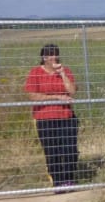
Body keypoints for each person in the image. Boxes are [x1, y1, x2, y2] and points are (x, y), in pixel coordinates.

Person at [24, 43, 79, 190]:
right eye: (50, 54)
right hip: (45, 118)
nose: (54, 57)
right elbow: (33, 96)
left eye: (56, 54)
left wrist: (62, 74)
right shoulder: (35, 72)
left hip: (66, 116)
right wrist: (56, 97)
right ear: (44, 57)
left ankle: (69, 180)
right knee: (52, 150)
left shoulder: (65, 71)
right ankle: (57, 182)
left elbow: (72, 91)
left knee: (70, 149)